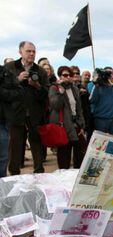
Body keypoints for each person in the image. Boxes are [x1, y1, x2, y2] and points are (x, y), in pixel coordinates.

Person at [5, 41, 49, 175]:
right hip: (15, 112)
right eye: (28, 51)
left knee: (36, 143)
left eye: (33, 51)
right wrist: (17, 80)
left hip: (35, 113)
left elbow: (46, 93)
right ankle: (14, 173)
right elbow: (3, 89)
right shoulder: (10, 67)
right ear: (20, 52)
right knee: (15, 143)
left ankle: (39, 172)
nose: (31, 54)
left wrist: (37, 86)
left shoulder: (40, 70)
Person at [49, 66, 86, 169]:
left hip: (76, 124)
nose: (68, 77)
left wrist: (82, 124)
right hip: (63, 126)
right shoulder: (54, 88)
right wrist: (61, 92)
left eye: (70, 75)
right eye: (65, 75)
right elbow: (55, 105)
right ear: (60, 76)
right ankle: (63, 177)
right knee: (64, 156)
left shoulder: (74, 88)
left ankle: (76, 175)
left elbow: (79, 108)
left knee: (80, 153)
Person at [88, 67, 113, 136]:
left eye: (111, 73)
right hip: (100, 120)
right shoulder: (97, 86)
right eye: (107, 73)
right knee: (100, 143)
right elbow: (92, 100)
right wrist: (97, 84)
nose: (109, 76)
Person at [0, 65, 23, 177]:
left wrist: (2, 92)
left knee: (3, 157)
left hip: (2, 122)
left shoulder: (5, 72)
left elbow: (18, 92)